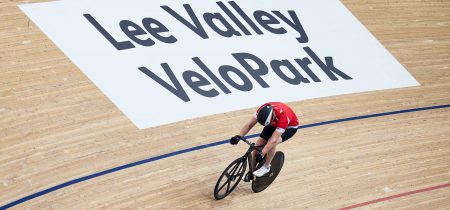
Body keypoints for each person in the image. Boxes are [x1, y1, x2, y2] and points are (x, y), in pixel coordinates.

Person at [230, 102, 299, 178]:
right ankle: (252, 170)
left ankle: (266, 167)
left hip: (289, 128)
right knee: (258, 146)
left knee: (272, 143)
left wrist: (262, 153)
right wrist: (239, 137)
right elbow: (249, 124)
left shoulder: (283, 119)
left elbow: (273, 140)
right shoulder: (263, 108)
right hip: (273, 123)